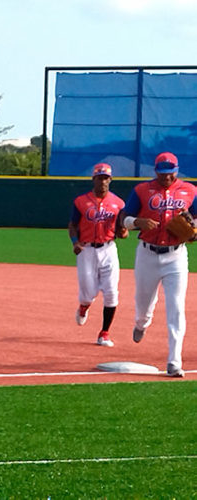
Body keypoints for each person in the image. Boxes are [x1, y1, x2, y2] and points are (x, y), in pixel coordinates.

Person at [119, 152, 197, 378]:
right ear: (156, 171)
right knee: (143, 305)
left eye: (171, 173)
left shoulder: (190, 191)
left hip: (176, 256)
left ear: (177, 170)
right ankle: (142, 323)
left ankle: (174, 361)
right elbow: (124, 218)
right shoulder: (142, 190)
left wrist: (193, 231)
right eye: (163, 173)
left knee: (176, 307)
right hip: (147, 254)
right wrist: (137, 222)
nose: (167, 177)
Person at [68, 162, 127, 347]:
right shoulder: (81, 201)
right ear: (93, 179)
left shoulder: (118, 203)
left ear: (110, 180)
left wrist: (123, 232)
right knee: (88, 293)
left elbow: (121, 229)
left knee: (111, 293)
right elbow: (72, 225)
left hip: (108, 249)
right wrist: (75, 242)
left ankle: (104, 333)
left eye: (106, 178)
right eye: (100, 178)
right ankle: (84, 306)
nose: (103, 181)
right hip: (86, 250)